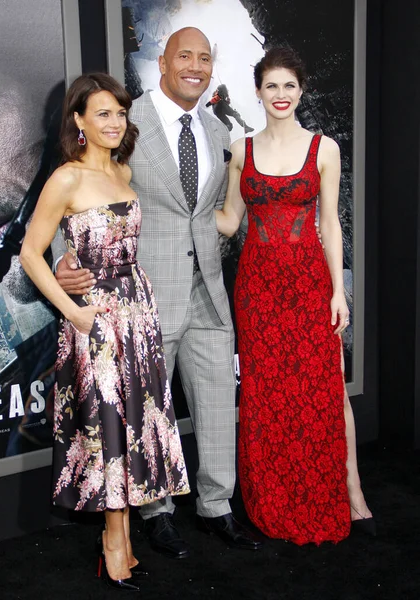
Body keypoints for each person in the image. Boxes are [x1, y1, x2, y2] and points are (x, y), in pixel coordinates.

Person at [54, 28, 262, 557]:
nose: (195, 66)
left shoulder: (218, 131)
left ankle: (218, 506)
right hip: (144, 297)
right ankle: (157, 512)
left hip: (209, 291)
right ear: (163, 63)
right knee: (148, 410)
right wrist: (63, 256)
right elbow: (78, 182)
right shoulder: (128, 121)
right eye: (184, 56)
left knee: (217, 403)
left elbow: (212, 213)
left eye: (204, 59)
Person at [20, 73, 190, 589]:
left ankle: (124, 540)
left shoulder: (124, 170)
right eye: (102, 113)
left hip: (137, 313)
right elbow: (30, 253)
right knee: (109, 426)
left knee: (134, 424)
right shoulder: (66, 179)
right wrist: (73, 313)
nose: (114, 122)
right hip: (94, 320)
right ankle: (114, 545)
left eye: (119, 112)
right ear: (78, 121)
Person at [215, 46, 374, 545]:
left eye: (289, 86)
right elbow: (229, 221)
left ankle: (351, 492)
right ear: (258, 92)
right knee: (266, 394)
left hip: (309, 286)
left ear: (301, 91)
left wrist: (338, 291)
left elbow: (330, 222)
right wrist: (174, 209)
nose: (281, 95)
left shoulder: (324, 148)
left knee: (325, 389)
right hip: (257, 290)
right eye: (271, 86)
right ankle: (271, 497)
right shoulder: (242, 150)